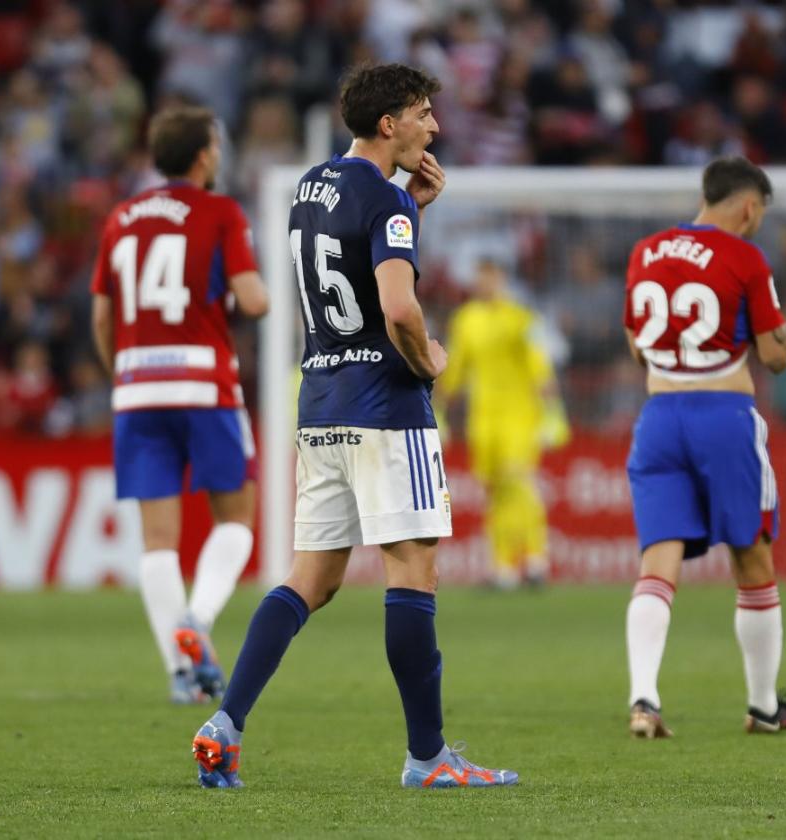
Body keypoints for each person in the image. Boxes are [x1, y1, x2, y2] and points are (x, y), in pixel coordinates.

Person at [191, 63, 517, 790]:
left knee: (311, 577)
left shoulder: (311, 187)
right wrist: (428, 363)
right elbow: (398, 308)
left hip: (322, 403)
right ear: (389, 124)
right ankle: (428, 758)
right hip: (386, 408)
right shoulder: (386, 202)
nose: (434, 126)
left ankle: (225, 723)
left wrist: (412, 207)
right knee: (412, 568)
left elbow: (347, 267)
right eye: (423, 113)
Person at [622, 156, 786, 738]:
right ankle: (763, 708)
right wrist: (785, 338)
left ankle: (645, 699)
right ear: (749, 207)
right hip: (722, 416)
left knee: (658, 561)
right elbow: (775, 359)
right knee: (752, 555)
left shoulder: (646, 251)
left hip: (658, 416)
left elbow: (636, 344)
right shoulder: (746, 257)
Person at [89, 106, 269, 705]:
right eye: (216, 146)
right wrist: (259, 290)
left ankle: (179, 671)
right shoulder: (220, 212)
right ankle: (197, 616)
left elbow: (102, 315)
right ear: (203, 155)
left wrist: (125, 374)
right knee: (237, 518)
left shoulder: (120, 219)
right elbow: (253, 299)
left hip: (137, 388)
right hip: (203, 385)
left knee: (157, 541)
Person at [438, 258, 567, 588]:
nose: (485, 285)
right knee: (494, 492)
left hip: (519, 417)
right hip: (484, 420)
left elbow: (539, 364)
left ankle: (536, 560)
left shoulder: (520, 318)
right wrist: (439, 408)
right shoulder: (466, 320)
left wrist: (551, 410)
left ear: (503, 280)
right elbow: (456, 370)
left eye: (491, 279)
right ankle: (504, 568)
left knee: (518, 484)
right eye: (481, 279)